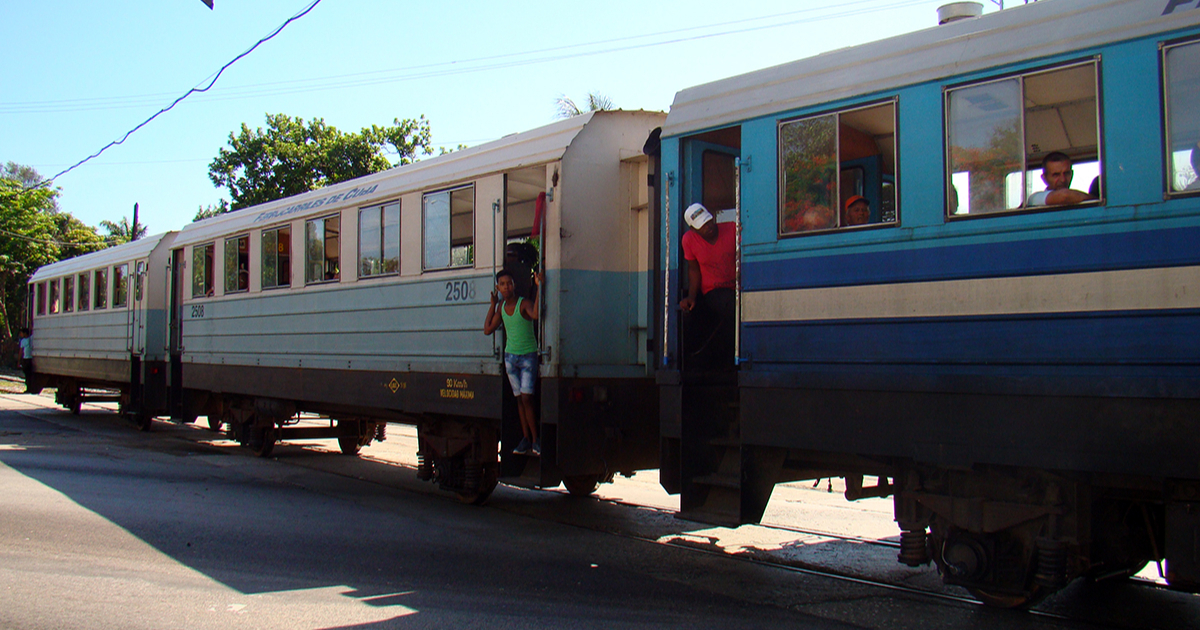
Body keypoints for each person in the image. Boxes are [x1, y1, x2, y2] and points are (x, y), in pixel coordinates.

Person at [484, 269, 542, 456]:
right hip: (510, 358)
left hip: (527, 357)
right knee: (519, 399)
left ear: (514, 285)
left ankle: (534, 440)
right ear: (498, 287)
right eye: (503, 284)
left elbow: (535, 314)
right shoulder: (500, 307)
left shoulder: (523, 303)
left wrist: (540, 288)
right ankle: (526, 439)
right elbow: (487, 329)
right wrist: (492, 305)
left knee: (526, 398)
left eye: (509, 283)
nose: (506, 287)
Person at [679, 203, 736, 370]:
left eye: (709, 221)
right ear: (693, 229)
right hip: (713, 291)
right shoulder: (688, 240)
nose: (708, 227)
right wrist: (691, 296)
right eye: (702, 226)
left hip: (738, 287)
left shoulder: (732, 229)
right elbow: (694, 270)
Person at [1027, 152, 1096, 206]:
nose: (1063, 179)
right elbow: (1065, 196)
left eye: (1066, 173)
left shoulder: (1078, 198)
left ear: (1071, 174)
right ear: (1044, 178)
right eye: (1056, 175)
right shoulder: (1034, 199)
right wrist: (1096, 200)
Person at [18, 328, 33, 393]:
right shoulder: (23, 341)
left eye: (21, 333)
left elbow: (20, 351)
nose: (20, 334)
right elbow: (21, 351)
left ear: (25, 333)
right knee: (27, 374)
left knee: (29, 374)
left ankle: (30, 387)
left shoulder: (31, 339)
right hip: (26, 358)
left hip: (30, 359)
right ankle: (29, 387)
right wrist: (19, 360)